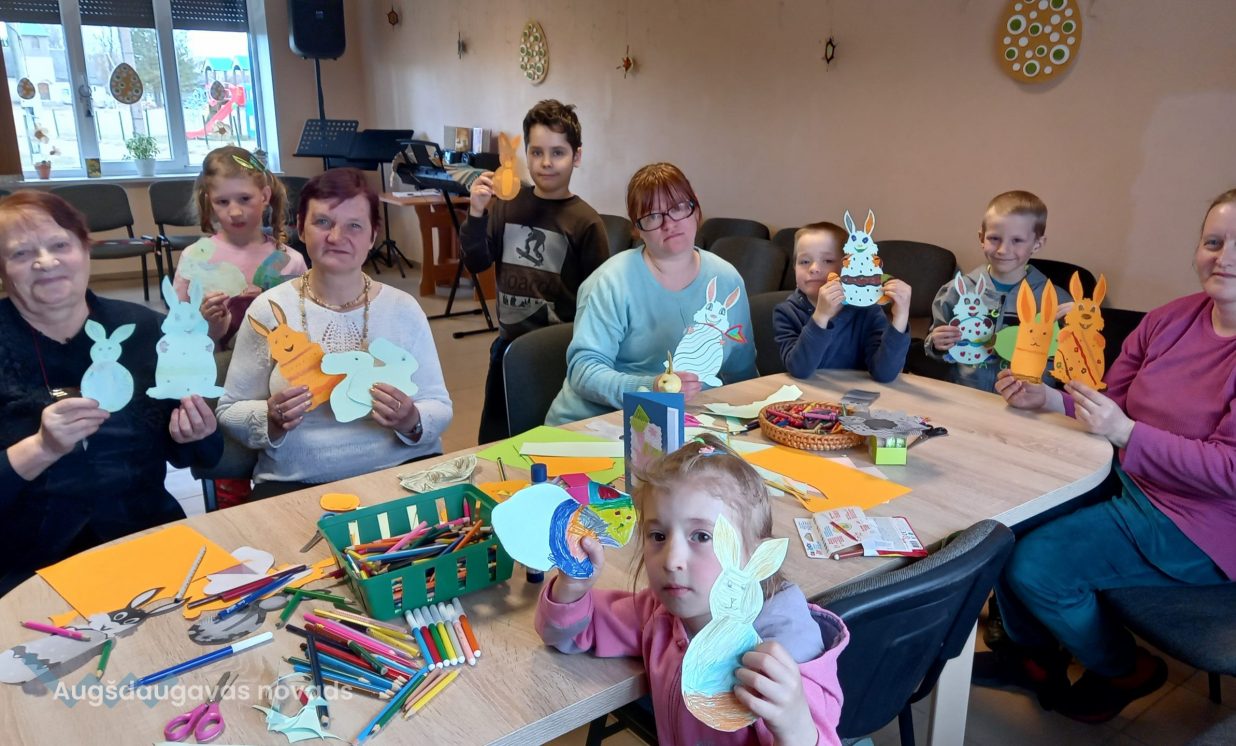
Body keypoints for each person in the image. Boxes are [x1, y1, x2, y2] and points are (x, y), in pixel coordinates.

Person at [976, 188, 1236, 723]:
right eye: (1213, 242)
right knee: (1005, 522)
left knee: (1037, 566)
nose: (1223, 257)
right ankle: (1034, 659)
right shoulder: (1170, 319)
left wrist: (1129, 434)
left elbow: (1228, 470)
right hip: (1122, 476)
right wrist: (1050, 399)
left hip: (1201, 521)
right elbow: (1110, 401)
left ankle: (1124, 668)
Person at [535, 435, 847, 744]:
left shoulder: (785, 653)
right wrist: (572, 588)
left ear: (755, 555)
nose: (672, 560)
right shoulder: (660, 612)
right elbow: (567, 633)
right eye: (658, 536)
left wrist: (796, 729)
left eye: (701, 536)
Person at [0, 191, 222, 596]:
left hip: (146, 539)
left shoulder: (146, 330)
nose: (45, 262)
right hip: (28, 565)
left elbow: (204, 457)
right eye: (21, 253)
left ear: (85, 249)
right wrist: (41, 448)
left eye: (60, 245)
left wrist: (197, 433)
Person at [216, 169, 452, 499]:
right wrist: (270, 417)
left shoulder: (403, 308)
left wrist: (411, 419)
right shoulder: (269, 310)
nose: (337, 237)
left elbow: (439, 405)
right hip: (299, 482)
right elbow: (229, 410)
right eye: (323, 222)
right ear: (301, 227)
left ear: (372, 236)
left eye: (354, 225)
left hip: (402, 472)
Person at [545, 163, 758, 425]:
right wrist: (652, 388)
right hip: (596, 424)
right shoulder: (610, 282)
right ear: (637, 228)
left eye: (678, 208)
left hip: (684, 424)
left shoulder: (726, 279)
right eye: (653, 216)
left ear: (695, 209)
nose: (669, 224)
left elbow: (741, 371)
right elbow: (584, 372)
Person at [459, 99, 609, 443]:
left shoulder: (586, 222)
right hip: (508, 347)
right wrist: (477, 213)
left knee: (551, 441)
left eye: (558, 153)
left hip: (558, 353)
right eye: (536, 152)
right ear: (525, 153)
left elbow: (599, 301)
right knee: (497, 440)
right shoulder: (507, 206)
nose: (546, 162)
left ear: (577, 156)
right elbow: (477, 262)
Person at [924, 190, 1072, 392]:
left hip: (1027, 401)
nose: (1003, 250)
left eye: (1017, 240)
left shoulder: (1054, 301)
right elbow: (936, 346)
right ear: (981, 238)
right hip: (966, 394)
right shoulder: (956, 291)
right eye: (994, 238)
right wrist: (935, 343)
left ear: (1037, 244)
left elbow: (1072, 359)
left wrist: (1077, 327)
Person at [173, 146, 307, 350]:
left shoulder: (291, 261)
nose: (235, 212)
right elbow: (178, 332)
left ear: (264, 196)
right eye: (222, 202)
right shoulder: (194, 258)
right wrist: (208, 324)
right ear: (210, 202)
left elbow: (306, 324)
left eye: (245, 199)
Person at [774, 221, 912, 382]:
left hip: (856, 394)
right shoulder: (786, 313)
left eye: (828, 261)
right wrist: (821, 316)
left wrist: (901, 317)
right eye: (804, 261)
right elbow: (799, 369)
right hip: (807, 394)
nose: (814, 268)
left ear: (848, 265)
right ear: (794, 268)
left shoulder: (868, 311)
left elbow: (884, 373)